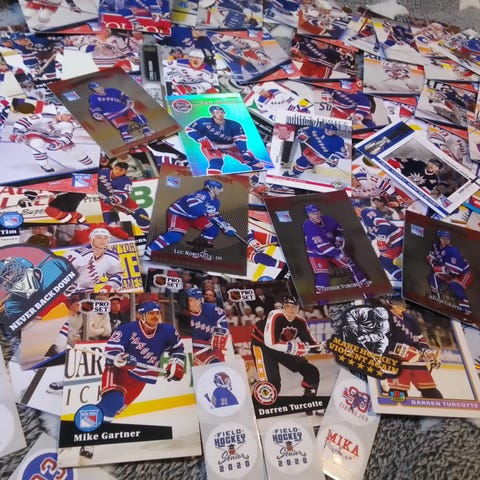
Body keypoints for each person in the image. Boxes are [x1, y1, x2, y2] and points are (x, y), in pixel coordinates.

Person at [79, 300, 185, 460]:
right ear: (141, 316)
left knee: (114, 411)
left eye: (157, 313)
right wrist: (122, 357)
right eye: (151, 313)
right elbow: (112, 350)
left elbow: (178, 348)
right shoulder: (127, 329)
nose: (156, 316)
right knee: (114, 402)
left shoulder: (167, 331)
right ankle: (85, 436)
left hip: (141, 378)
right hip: (119, 371)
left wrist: (175, 363)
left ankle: (88, 428)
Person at [250, 296, 323, 413]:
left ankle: (308, 401)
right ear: (283, 307)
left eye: (294, 307)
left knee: (311, 371)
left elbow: (312, 344)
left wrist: (322, 347)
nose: (291, 310)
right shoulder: (275, 315)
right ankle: (252, 409)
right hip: (262, 346)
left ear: (298, 308)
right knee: (272, 386)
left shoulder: (300, 322)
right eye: (288, 307)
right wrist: (294, 348)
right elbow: (270, 343)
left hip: (282, 348)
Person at [145, 180, 237, 256]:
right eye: (219, 188)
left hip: (194, 217)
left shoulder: (216, 202)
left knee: (213, 230)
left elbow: (215, 216)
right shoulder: (202, 194)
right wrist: (205, 210)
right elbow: (193, 205)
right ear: (211, 188)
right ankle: (149, 251)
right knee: (174, 236)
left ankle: (198, 251)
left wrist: (225, 226)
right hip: (179, 214)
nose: (221, 190)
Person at [302, 204, 367, 300]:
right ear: (309, 214)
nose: (317, 215)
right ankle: (322, 301)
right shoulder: (309, 226)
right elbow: (323, 248)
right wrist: (341, 256)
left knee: (351, 266)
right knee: (322, 277)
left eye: (317, 212)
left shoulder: (328, 219)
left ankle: (367, 291)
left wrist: (339, 238)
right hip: (316, 253)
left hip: (332, 248)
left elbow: (338, 228)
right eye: (313, 213)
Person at [384, 296, 442, 398]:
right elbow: (383, 340)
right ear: (391, 303)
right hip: (397, 362)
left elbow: (420, 338)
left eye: (403, 302)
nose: (402, 304)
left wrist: (427, 352)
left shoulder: (409, 319)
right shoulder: (384, 317)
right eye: (399, 302)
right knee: (398, 395)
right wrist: (402, 350)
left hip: (417, 362)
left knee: (432, 393)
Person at [9, 107, 93, 173]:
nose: (70, 117)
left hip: (54, 137)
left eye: (71, 115)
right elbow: (24, 120)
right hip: (35, 132)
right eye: (67, 115)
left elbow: (67, 136)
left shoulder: (69, 124)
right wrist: (17, 132)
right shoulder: (45, 116)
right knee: (37, 143)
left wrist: (59, 143)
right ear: (60, 113)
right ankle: (44, 165)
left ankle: (92, 166)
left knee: (75, 151)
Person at [185, 105, 264, 174]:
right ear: (212, 114)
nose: (220, 114)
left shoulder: (234, 124)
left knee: (255, 163)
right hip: (211, 145)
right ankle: (213, 179)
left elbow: (240, 139)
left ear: (224, 113)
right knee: (216, 163)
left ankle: (258, 179)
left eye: (221, 112)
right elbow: (189, 129)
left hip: (230, 146)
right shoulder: (203, 121)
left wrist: (243, 151)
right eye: (217, 112)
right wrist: (202, 139)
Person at [63, 227, 124, 294]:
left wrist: (110, 285)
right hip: (66, 292)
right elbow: (59, 273)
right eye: (99, 238)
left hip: (88, 293)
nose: (102, 240)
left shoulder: (113, 257)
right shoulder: (76, 255)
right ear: (91, 240)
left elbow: (117, 274)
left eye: (105, 238)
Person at [426, 230, 473, 314]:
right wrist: (431, 259)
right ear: (439, 238)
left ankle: (466, 311)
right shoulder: (437, 246)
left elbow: (457, 270)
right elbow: (433, 256)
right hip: (449, 272)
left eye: (447, 238)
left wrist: (439, 269)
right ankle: (437, 298)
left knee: (454, 285)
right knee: (432, 278)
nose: (445, 240)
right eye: (443, 238)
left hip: (463, 274)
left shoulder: (453, 251)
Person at [98, 161, 150, 234]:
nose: (117, 171)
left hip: (116, 199)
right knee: (108, 218)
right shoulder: (104, 172)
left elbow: (124, 194)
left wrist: (114, 199)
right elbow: (91, 177)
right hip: (101, 198)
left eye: (121, 170)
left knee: (141, 215)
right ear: (113, 168)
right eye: (116, 169)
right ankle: (111, 235)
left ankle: (148, 234)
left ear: (125, 171)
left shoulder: (126, 180)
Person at [183, 287, 229, 365]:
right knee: (214, 364)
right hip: (195, 350)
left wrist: (219, 334)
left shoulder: (211, 309)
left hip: (212, 347)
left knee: (222, 367)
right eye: (187, 300)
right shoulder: (184, 316)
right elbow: (185, 339)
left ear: (198, 301)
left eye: (190, 300)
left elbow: (223, 321)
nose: (187, 303)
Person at [283, 123, 348, 178]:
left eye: (333, 130)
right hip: (310, 150)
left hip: (321, 157)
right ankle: (300, 169)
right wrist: (302, 136)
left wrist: (334, 160)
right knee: (304, 157)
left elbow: (342, 154)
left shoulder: (338, 140)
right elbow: (302, 130)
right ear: (326, 128)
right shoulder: (316, 130)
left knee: (304, 159)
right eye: (330, 130)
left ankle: (296, 172)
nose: (332, 132)